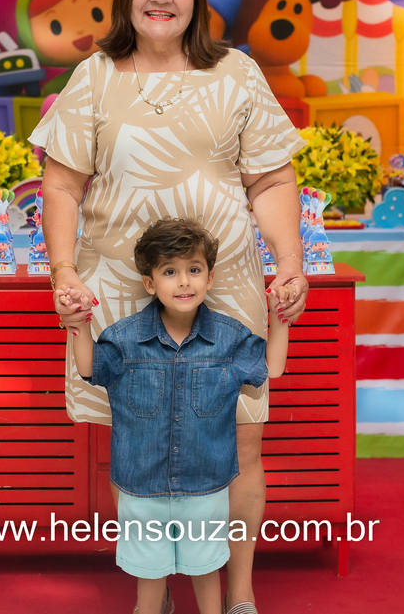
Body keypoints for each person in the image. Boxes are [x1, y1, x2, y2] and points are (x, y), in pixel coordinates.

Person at [29, 0, 309, 613]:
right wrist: (63, 272)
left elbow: (272, 177)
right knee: (142, 443)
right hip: (124, 290)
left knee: (240, 440)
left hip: (225, 284)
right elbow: (60, 184)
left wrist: (290, 263)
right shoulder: (95, 75)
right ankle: (152, 595)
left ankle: (237, 595)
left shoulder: (237, 72)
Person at [61, 219, 291, 614]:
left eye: (194, 269)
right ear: (149, 283)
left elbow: (272, 368)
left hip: (207, 484)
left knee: (206, 568)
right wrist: (78, 325)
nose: (184, 282)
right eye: (170, 272)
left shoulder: (230, 337)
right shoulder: (125, 338)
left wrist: (279, 316)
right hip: (141, 485)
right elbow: (89, 369)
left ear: (210, 277)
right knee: (149, 575)